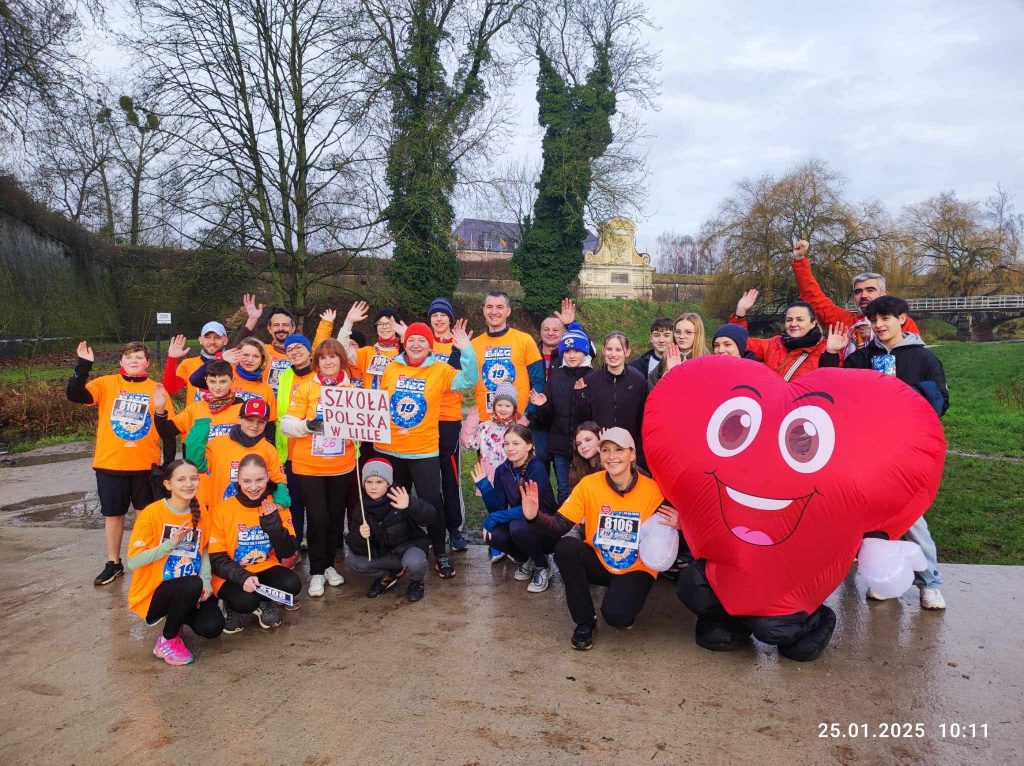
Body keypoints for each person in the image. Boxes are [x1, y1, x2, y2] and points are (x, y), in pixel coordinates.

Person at [841, 295, 949, 610]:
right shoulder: (860, 358)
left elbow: (940, 402)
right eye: (874, 320)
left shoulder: (923, 358)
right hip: (865, 452)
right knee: (874, 522)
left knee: (910, 517)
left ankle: (930, 583)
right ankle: (886, 580)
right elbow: (841, 399)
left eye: (886, 318)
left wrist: (901, 397)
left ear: (902, 319)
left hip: (905, 452)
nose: (879, 325)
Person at [522, 428, 674, 649]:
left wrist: (681, 522)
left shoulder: (653, 490)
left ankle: (622, 600)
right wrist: (534, 517)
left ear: (632, 454)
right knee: (565, 547)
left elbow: (681, 520)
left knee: (617, 617)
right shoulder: (589, 485)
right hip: (600, 559)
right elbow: (559, 526)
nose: (612, 457)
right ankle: (585, 622)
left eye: (619, 450)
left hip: (636, 567)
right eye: (605, 450)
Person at [66, 340, 175, 586]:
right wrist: (83, 364)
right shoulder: (106, 383)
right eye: (129, 356)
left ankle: (145, 560)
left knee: (145, 517)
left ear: (148, 363)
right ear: (121, 361)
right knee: (114, 515)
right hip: (110, 464)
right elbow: (74, 394)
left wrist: (168, 465)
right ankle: (113, 563)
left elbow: (168, 431)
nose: (134, 360)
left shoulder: (157, 389)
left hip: (145, 466)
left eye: (139, 357)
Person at [375, 320, 477, 579]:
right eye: (411, 339)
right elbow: (379, 403)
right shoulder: (392, 367)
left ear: (430, 346)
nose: (416, 344)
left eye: (422, 340)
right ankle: (397, 552)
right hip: (391, 449)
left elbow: (468, 380)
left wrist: (466, 350)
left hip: (423, 450)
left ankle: (440, 552)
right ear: (404, 343)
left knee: (432, 503)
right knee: (394, 504)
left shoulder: (440, 370)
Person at [125, 459, 224, 665]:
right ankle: (167, 640)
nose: (189, 484)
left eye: (193, 478)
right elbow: (133, 562)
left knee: (212, 627)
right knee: (191, 583)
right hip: (157, 592)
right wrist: (170, 544)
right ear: (168, 484)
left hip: (191, 589)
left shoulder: (200, 511)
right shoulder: (152, 513)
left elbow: (205, 548)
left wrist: (206, 580)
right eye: (181, 479)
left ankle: (178, 618)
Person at [280, 339, 356, 597]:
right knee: (318, 517)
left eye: (333, 356)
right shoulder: (307, 386)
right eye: (323, 357)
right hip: (309, 466)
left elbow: (364, 423)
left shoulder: (352, 389)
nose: (328, 361)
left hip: (341, 465)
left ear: (341, 359)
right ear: (317, 362)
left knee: (335, 518)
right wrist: (307, 425)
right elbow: (286, 424)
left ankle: (329, 566)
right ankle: (316, 571)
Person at [209, 454, 301, 632]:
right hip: (231, 573)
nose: (253, 487)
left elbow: (288, 551)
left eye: (259, 480)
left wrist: (274, 527)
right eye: (247, 481)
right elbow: (217, 559)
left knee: (292, 585)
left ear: (267, 477)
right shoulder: (222, 509)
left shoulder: (276, 505)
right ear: (238, 480)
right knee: (246, 602)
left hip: (264, 566)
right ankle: (230, 605)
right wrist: (242, 577)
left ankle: (264, 601)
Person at [472, 424, 559, 592]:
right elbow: (498, 508)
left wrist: (494, 518)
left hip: (546, 528)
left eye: (516, 443)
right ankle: (525, 559)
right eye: (506, 443)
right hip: (522, 525)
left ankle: (542, 566)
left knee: (517, 527)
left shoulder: (537, 468)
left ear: (529, 445)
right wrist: (485, 487)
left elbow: (532, 510)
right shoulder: (502, 470)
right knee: (493, 534)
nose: (510, 448)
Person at [345, 458, 437, 603]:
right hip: (385, 555)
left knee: (415, 563)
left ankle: (417, 581)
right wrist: (361, 536)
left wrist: (411, 504)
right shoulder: (361, 506)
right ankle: (388, 575)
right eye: (369, 482)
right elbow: (354, 542)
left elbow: (430, 517)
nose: (373, 487)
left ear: (388, 483)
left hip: (409, 549)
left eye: (379, 482)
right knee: (353, 561)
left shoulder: (400, 496)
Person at [790, 239, 923, 335]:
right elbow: (814, 298)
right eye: (858, 291)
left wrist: (877, 334)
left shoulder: (901, 322)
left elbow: (913, 355)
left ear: (883, 294)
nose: (863, 295)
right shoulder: (845, 321)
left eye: (870, 290)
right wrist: (800, 260)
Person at [183, 398, 289, 517]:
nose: (255, 425)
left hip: (253, 516)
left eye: (261, 422)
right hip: (221, 513)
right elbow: (197, 465)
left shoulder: (269, 449)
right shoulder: (218, 444)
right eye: (250, 420)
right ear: (239, 419)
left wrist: (281, 498)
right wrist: (200, 431)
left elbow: (278, 479)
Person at [528, 322, 593, 503]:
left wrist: (581, 395)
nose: (572, 355)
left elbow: (591, 416)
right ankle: (563, 520)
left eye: (576, 351)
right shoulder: (555, 378)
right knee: (564, 489)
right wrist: (542, 406)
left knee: (585, 487)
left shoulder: (593, 377)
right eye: (567, 351)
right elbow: (546, 419)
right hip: (560, 446)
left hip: (585, 447)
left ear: (585, 353)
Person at [426, 297, 470, 552]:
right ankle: (434, 528)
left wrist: (460, 348)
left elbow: (458, 375)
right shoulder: (421, 341)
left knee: (450, 477)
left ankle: (454, 529)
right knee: (428, 478)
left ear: (450, 319)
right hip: (424, 419)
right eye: (435, 315)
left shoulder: (459, 343)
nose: (439, 319)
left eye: (443, 315)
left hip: (449, 418)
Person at [730, 290, 848, 381]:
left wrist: (831, 354)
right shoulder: (774, 344)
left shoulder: (825, 349)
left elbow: (830, 382)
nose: (793, 324)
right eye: (789, 320)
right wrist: (740, 313)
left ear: (813, 323)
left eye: (800, 319)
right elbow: (739, 343)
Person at [574, 332, 648, 465]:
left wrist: (640, 452)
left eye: (618, 350)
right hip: (600, 449)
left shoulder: (638, 380)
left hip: (629, 447)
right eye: (609, 349)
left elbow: (643, 417)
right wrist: (581, 396)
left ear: (627, 352)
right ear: (603, 351)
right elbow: (583, 419)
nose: (613, 354)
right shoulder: (590, 380)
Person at [470, 291, 544, 421]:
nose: (494, 312)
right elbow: (462, 379)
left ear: (508, 311)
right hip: (485, 420)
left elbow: (538, 381)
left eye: (500, 307)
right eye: (489, 307)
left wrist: (527, 415)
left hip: (518, 420)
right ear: (483, 310)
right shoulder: (473, 345)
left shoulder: (525, 340)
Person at [274, 334, 315, 549]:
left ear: (309, 350)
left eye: (299, 347)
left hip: (314, 449)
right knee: (294, 501)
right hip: (289, 449)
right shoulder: (285, 376)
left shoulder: (320, 373)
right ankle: (296, 542)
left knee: (315, 502)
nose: (294, 352)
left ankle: (320, 543)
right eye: (290, 349)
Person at [462, 381, 529, 486]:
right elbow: (469, 443)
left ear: (514, 408)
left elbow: (529, 453)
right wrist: (473, 419)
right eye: (499, 405)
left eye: (508, 406)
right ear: (493, 406)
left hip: (513, 481)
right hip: (489, 480)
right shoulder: (485, 427)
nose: (503, 409)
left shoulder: (520, 428)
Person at [236, 296, 299, 394]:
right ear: (269, 329)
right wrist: (252, 319)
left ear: (293, 328)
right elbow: (237, 351)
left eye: (285, 325)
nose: (280, 328)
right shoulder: (262, 350)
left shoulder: (301, 353)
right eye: (276, 325)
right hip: (264, 399)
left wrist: (325, 323)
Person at [162, 323, 229, 403]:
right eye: (207, 337)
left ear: (225, 341)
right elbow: (170, 389)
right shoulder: (188, 364)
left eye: (217, 337)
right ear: (200, 340)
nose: (212, 341)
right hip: (195, 411)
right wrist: (172, 358)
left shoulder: (233, 364)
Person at [630, 317, 674, 389]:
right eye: (656, 335)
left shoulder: (683, 364)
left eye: (666, 335)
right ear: (651, 338)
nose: (661, 340)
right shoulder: (635, 367)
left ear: (673, 338)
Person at [568, 421, 603, 490]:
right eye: (579, 444)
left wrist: (604, 452)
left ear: (600, 439)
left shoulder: (611, 464)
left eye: (588, 440)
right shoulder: (576, 467)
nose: (583, 446)